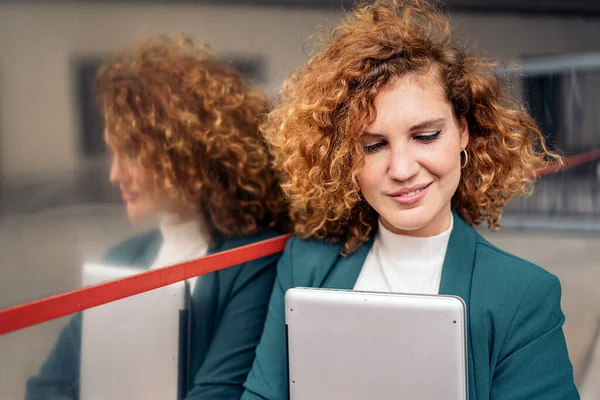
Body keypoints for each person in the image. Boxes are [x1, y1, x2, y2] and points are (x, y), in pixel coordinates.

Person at [241, 1, 579, 399]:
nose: (401, 169)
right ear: (341, 157)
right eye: (372, 145)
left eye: (425, 136)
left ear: (464, 131)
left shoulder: (521, 295)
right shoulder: (305, 262)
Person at [26, 36, 289, 400]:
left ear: (185, 153)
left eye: (132, 154)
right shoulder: (123, 258)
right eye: (113, 153)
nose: (115, 174)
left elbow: (216, 394)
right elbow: (49, 386)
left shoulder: (253, 262)